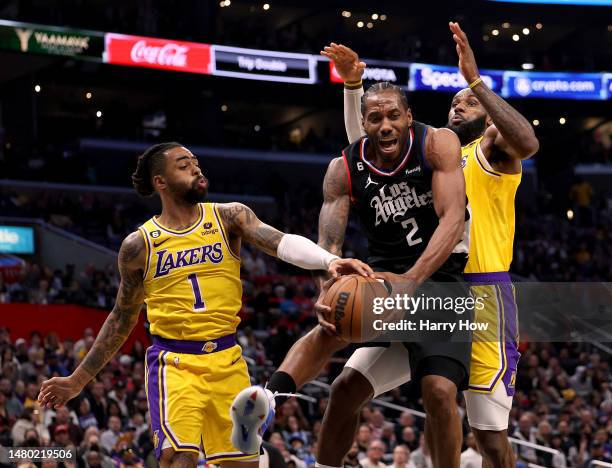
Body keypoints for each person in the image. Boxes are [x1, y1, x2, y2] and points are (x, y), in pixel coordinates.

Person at [37, 142, 370, 468]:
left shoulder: (229, 217)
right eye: (183, 165)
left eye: (195, 162)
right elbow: (122, 318)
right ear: (160, 182)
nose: (195, 168)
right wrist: (78, 380)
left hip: (228, 362)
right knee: (178, 459)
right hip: (176, 364)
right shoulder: (139, 245)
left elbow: (280, 243)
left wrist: (328, 260)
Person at [318, 21, 537, 468]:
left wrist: (475, 80)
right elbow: (359, 149)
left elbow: (528, 142)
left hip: (479, 294)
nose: (458, 106)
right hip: (420, 289)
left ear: (489, 114)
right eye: (455, 101)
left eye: (470, 102)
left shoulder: (492, 149)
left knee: (489, 436)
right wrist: (352, 87)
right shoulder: (431, 155)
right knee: (348, 387)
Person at [234, 72, 471, 468]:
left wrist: (412, 281)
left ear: (408, 117)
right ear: (363, 124)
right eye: (375, 119)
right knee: (341, 376)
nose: (385, 125)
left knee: (439, 392)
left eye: (393, 116)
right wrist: (324, 294)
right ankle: (267, 401)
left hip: (440, 283)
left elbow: (450, 222)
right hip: (379, 277)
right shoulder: (342, 168)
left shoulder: (436, 143)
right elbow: (329, 247)